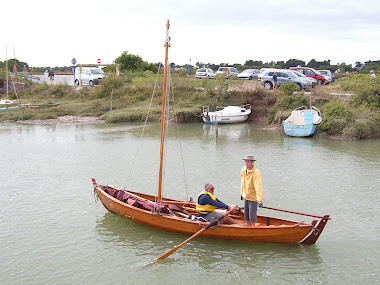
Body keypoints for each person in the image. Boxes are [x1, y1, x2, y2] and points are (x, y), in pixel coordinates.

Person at [240, 155, 263, 226]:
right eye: (246, 162)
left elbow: (258, 186)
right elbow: (242, 182)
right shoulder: (243, 170)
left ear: (252, 162)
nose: (247, 163)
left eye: (248, 162)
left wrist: (260, 200)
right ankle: (247, 225)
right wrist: (242, 193)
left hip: (253, 198)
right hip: (246, 196)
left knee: (252, 215)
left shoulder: (256, 173)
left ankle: (253, 227)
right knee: (246, 214)